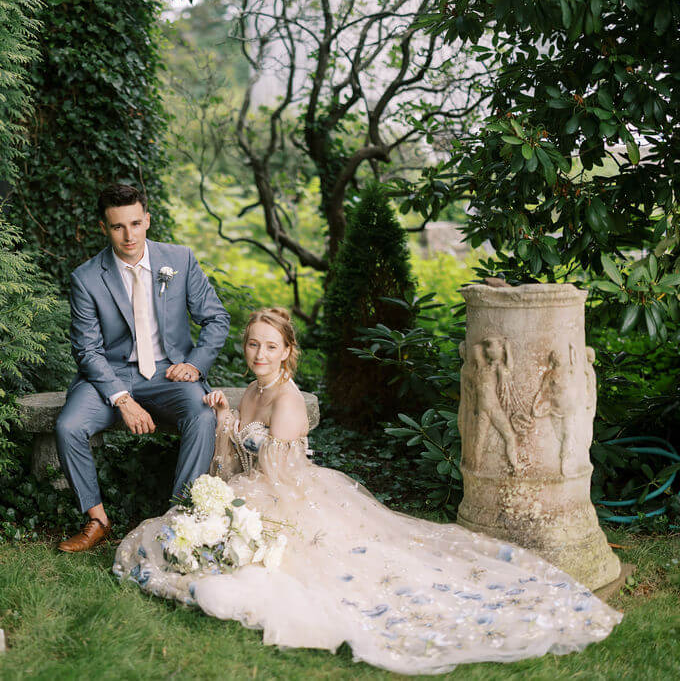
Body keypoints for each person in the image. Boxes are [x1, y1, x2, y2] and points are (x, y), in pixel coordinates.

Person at [114, 308, 621, 675]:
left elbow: (278, 475)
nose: (259, 354)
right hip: (254, 486)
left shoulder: (285, 400)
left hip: (283, 493)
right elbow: (229, 462)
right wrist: (225, 416)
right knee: (174, 535)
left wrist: (238, 499)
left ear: (288, 352)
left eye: (270, 346)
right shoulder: (253, 390)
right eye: (252, 344)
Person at [55, 184, 230, 552]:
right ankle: (96, 519)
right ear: (104, 228)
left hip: (169, 372)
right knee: (69, 425)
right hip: (110, 374)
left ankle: (180, 518)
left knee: (202, 414)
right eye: (118, 226)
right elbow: (87, 350)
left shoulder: (179, 260)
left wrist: (195, 365)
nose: (129, 235)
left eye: (135, 223)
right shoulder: (86, 278)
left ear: (147, 220)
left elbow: (216, 319)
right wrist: (121, 398)